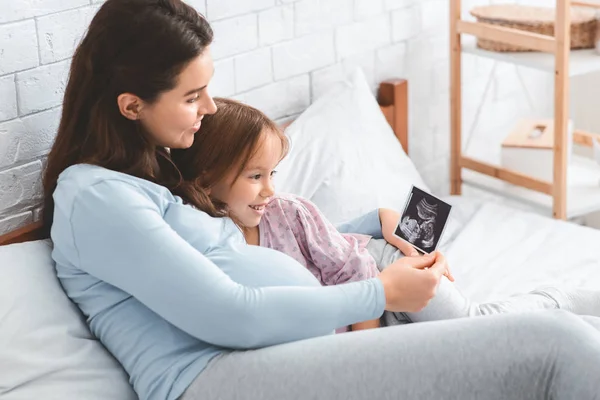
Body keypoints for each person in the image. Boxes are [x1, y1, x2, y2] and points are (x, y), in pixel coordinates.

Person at [42, 1, 600, 400]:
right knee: (557, 345)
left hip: (275, 356)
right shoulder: (94, 197)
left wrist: (373, 230)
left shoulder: (149, 179)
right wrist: (379, 292)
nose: (210, 108)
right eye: (193, 96)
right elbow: (230, 313)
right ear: (131, 105)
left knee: (568, 342)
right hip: (215, 376)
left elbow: (285, 231)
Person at [171, 97, 600, 332]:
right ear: (208, 179)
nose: (270, 189)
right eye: (255, 176)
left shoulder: (287, 212)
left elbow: (353, 269)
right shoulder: (207, 237)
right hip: (367, 302)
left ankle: (562, 299)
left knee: (472, 325)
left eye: (273, 174)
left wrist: (370, 347)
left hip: (381, 269)